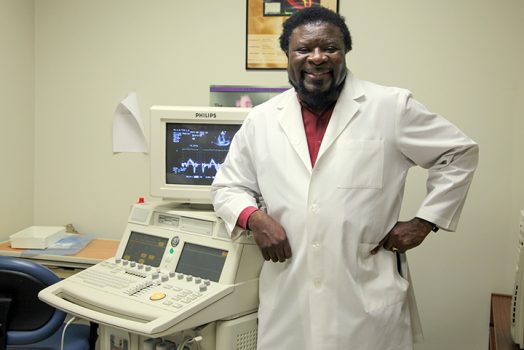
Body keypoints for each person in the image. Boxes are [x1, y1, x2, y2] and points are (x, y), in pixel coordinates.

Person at [211, 6, 478, 350]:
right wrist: (255, 219)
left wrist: (426, 221)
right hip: (289, 299)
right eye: (304, 49)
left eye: (330, 48)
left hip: (364, 300)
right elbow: (228, 186)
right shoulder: (261, 120)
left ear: (346, 52)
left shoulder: (390, 107)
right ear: (287, 56)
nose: (317, 58)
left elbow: (459, 152)